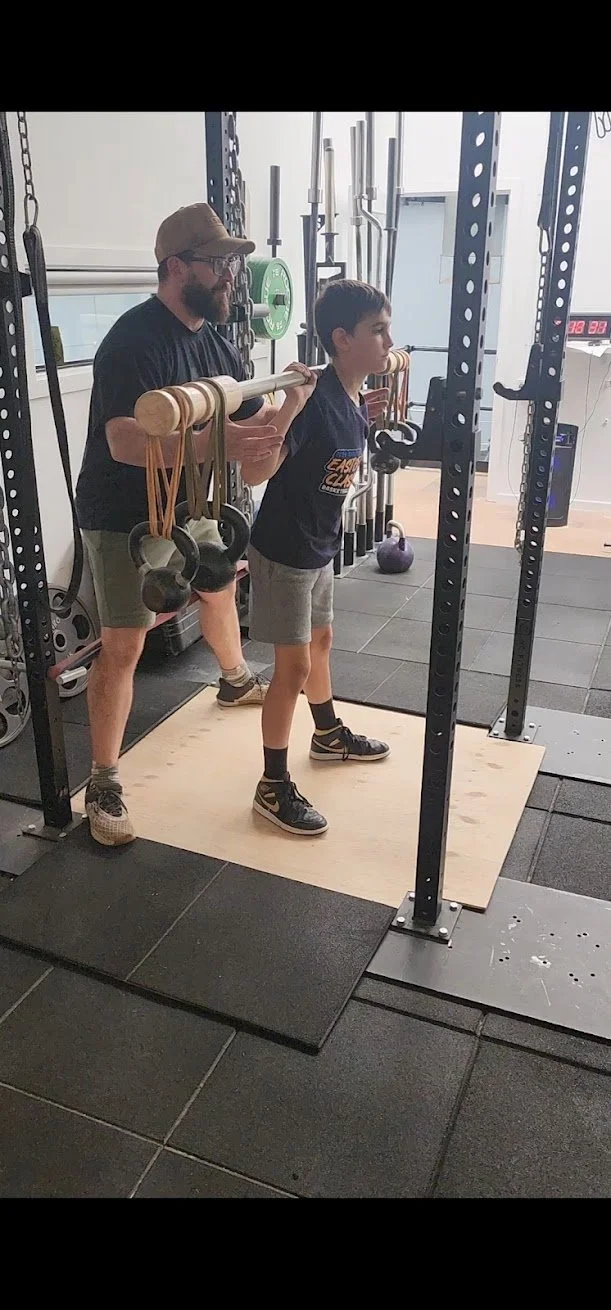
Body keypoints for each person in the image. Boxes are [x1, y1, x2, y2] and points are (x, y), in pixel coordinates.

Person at [75, 202, 313, 848]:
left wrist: (291, 405)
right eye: (219, 265)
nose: (232, 277)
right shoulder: (131, 340)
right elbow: (125, 440)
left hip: (186, 501)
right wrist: (222, 445)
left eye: (232, 264)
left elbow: (253, 434)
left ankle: (233, 679)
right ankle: (102, 781)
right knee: (125, 644)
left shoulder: (216, 342)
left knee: (215, 583)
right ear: (177, 268)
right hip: (120, 509)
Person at [241, 279, 393, 836]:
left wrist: (364, 418)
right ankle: (272, 785)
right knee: (294, 668)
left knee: (322, 643)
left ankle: (327, 735)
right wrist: (288, 406)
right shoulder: (312, 401)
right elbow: (255, 473)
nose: (387, 341)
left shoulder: (351, 398)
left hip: (319, 547)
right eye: (377, 330)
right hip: (284, 554)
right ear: (341, 338)